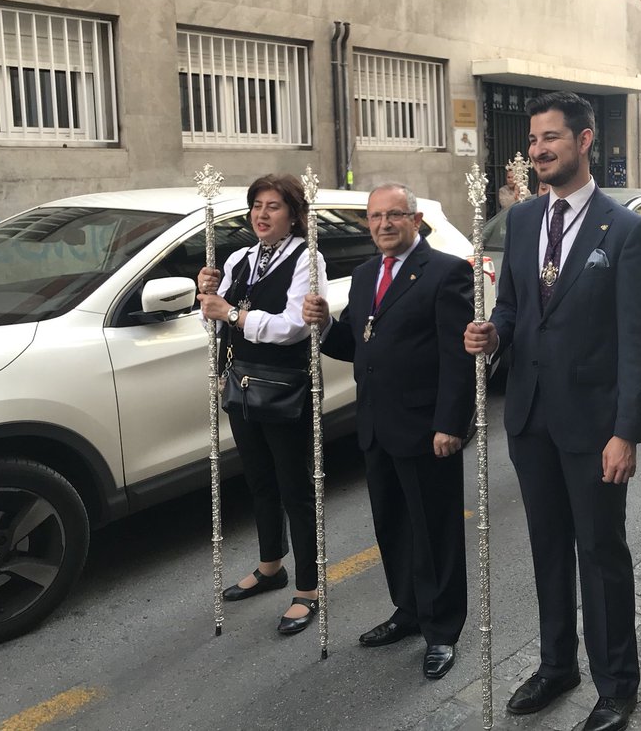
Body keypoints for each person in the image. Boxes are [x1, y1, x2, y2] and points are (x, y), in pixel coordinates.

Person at [464, 91, 641, 731]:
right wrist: (493, 333)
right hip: (530, 417)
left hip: (593, 423)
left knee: (601, 552)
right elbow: (516, 308)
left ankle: (616, 685)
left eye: (552, 138)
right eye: (533, 141)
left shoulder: (625, 230)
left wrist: (625, 431)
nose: (540, 150)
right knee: (547, 546)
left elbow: (634, 340)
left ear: (584, 141)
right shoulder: (521, 222)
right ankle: (556, 665)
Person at [301, 182, 474, 679]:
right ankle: (410, 610)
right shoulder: (361, 275)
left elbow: (457, 357)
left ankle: (443, 630)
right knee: (393, 525)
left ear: (415, 221)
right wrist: (324, 327)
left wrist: (450, 423)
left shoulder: (445, 272)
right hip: (376, 424)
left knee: (435, 530)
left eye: (394, 215)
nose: (383, 225)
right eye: (375, 217)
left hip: (426, 428)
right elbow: (359, 345)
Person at [195, 174, 325, 635]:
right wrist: (206, 295)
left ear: (293, 214)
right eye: (256, 205)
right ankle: (272, 566)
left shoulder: (307, 258)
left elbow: (294, 326)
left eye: (273, 206)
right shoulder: (239, 259)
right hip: (242, 383)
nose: (262, 214)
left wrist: (231, 312)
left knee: (295, 486)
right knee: (259, 480)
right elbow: (213, 324)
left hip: (286, 387)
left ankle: (308, 588)